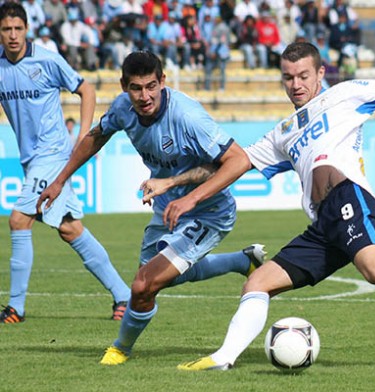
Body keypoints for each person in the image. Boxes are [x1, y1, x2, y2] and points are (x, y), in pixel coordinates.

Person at [139, 42, 375, 371]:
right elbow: (232, 163)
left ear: (320, 73)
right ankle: (223, 358)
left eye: (303, 76)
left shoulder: (346, 95)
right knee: (257, 283)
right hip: (322, 223)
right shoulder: (282, 133)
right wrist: (176, 185)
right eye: (288, 78)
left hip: (348, 197)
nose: (296, 85)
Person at [37, 51, 266, 365]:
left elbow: (238, 160)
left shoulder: (187, 116)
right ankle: (243, 261)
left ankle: (120, 348)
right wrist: (60, 179)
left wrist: (178, 188)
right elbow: (96, 136)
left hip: (209, 212)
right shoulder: (122, 108)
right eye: (136, 88)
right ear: (123, 86)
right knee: (158, 279)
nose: (144, 96)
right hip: (167, 207)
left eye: (150, 86)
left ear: (162, 82)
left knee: (144, 285)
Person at [0, 2, 130, 324]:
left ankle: (15, 309)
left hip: (54, 155)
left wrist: (83, 139)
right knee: (70, 230)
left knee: (19, 220)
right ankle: (124, 296)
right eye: (6, 29)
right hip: (32, 160)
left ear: (27, 29)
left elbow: (85, 89)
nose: (13, 35)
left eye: (18, 29)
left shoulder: (46, 59)